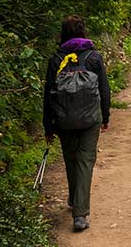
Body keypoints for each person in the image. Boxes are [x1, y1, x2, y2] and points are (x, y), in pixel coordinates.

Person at [42, 15, 110, 231]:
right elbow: (104, 89)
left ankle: (74, 201)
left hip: (63, 119)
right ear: (83, 32)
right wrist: (105, 116)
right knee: (85, 161)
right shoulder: (94, 57)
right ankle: (80, 214)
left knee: (71, 159)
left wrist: (48, 126)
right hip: (91, 118)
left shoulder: (55, 59)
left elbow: (48, 94)